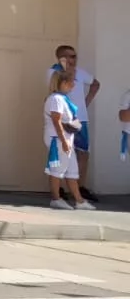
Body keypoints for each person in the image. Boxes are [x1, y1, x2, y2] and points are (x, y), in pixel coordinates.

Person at [47, 45, 101, 203]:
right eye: (68, 56)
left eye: (74, 56)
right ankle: (57, 190)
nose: (72, 59)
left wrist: (86, 102)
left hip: (80, 119)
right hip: (62, 118)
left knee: (83, 153)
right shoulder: (53, 72)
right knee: (59, 152)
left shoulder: (81, 73)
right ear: (60, 58)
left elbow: (96, 84)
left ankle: (79, 187)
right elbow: (52, 90)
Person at [45, 69, 93, 210]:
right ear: (63, 83)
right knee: (57, 169)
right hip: (58, 139)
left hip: (66, 138)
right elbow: (56, 121)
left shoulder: (63, 98)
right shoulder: (56, 99)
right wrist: (64, 141)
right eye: (72, 82)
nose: (73, 85)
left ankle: (79, 200)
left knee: (71, 169)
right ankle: (56, 198)